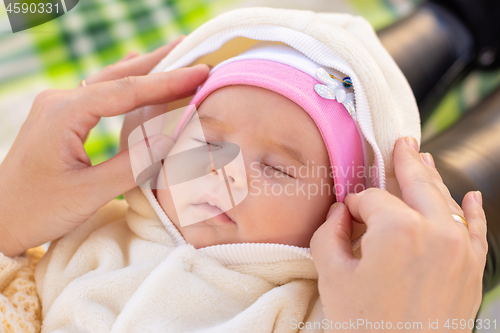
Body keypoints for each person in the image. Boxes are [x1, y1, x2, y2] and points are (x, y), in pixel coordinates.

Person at [0, 7, 487, 333]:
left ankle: (450, 23)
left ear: (341, 210)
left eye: (278, 169)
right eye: (207, 141)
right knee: (462, 187)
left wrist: (5, 231)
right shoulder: (94, 239)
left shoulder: (301, 299)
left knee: (360, 95)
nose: (222, 173)